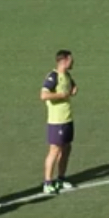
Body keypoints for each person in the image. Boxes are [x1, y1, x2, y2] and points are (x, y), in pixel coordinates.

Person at [40, 50, 77, 195]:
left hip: (67, 118)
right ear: (64, 61)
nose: (73, 62)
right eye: (71, 59)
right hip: (56, 121)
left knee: (67, 149)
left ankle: (61, 178)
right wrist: (60, 95)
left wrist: (74, 89)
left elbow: (72, 87)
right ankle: (47, 183)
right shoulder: (53, 76)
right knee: (54, 150)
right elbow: (43, 95)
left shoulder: (67, 75)